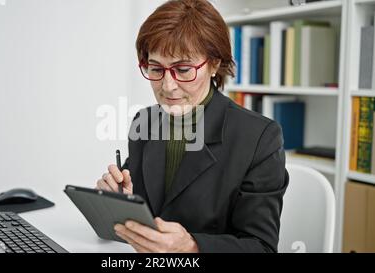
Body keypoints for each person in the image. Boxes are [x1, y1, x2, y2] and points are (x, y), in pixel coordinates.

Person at [95, 0, 289, 253]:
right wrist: (121, 199)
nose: (167, 86)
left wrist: (193, 247)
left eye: (183, 69)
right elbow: (147, 210)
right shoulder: (144, 121)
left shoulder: (260, 138)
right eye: (156, 69)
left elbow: (261, 247)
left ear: (214, 64)